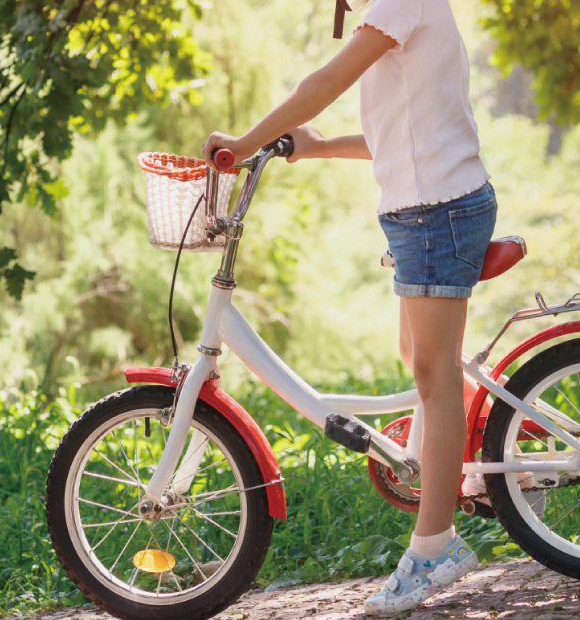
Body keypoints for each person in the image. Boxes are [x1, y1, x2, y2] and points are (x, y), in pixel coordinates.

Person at [202, 0, 495, 614]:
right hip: (424, 211)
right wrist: (315, 147)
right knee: (419, 356)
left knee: (433, 377)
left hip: (434, 214)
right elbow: (399, 133)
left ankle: (435, 547)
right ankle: (484, 473)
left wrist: (244, 142)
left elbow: (326, 82)